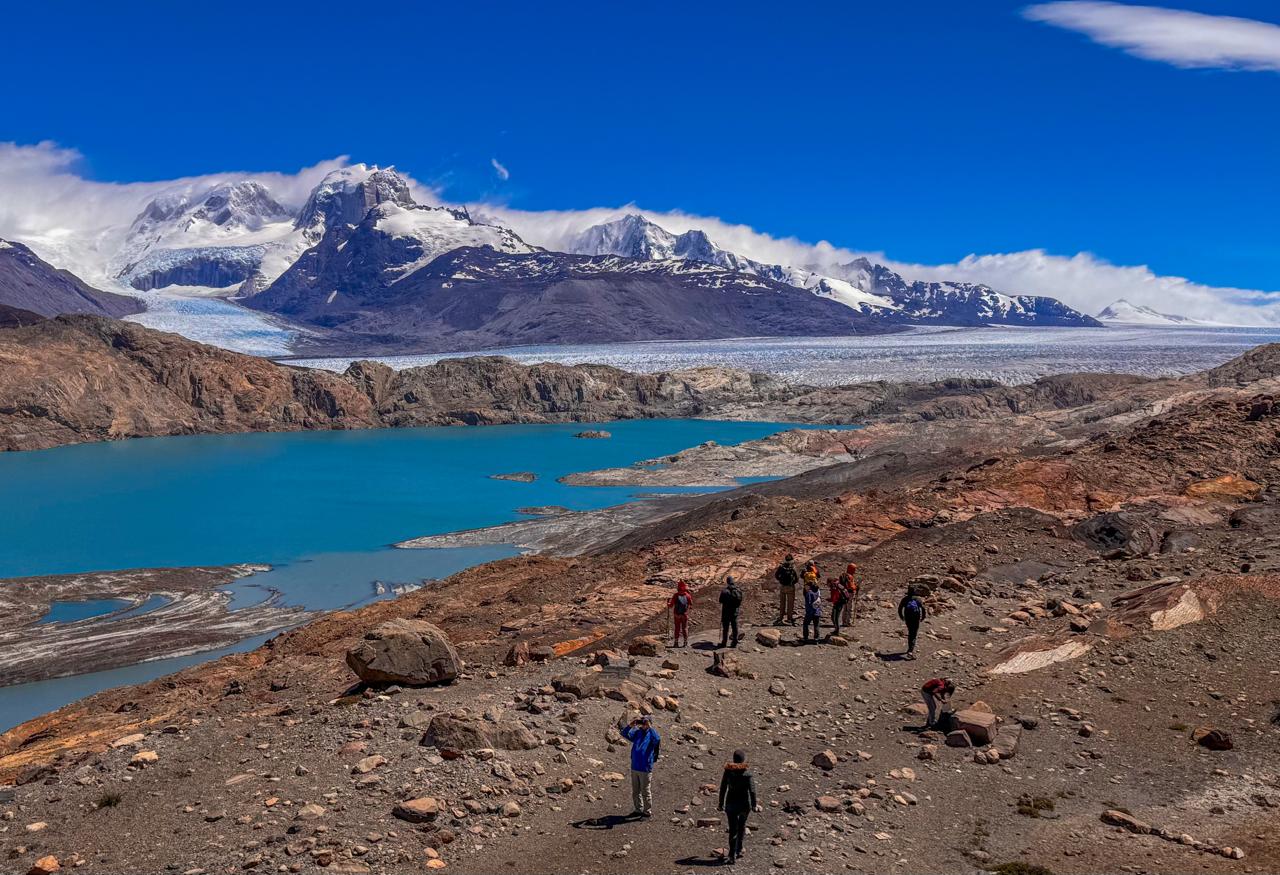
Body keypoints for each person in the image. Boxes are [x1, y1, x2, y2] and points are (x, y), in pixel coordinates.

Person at [717, 749, 759, 864]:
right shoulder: (747, 774)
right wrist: (754, 805)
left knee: (732, 829)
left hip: (731, 805)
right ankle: (739, 849)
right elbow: (752, 791)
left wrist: (721, 803)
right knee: (742, 826)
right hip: (744, 805)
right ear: (743, 759)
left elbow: (723, 788)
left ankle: (732, 855)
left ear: (734, 759)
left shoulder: (728, 772)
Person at [619, 714, 661, 817]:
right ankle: (638, 809)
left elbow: (657, 740)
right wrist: (630, 725)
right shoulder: (638, 732)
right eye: (642, 722)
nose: (643, 724)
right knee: (636, 791)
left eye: (645, 722)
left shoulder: (651, 735)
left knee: (645, 791)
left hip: (645, 767)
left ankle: (647, 812)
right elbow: (624, 734)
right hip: (635, 766)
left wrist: (650, 727)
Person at [898, 585, 927, 659]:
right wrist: (923, 617)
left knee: (911, 632)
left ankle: (910, 649)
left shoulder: (905, 599)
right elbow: (923, 609)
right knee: (913, 634)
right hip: (915, 618)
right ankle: (910, 651)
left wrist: (902, 617)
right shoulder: (917, 599)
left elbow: (900, 608)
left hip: (908, 618)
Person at [773, 554, 799, 625]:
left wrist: (780, 581)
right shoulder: (793, 567)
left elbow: (776, 575)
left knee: (782, 603)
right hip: (790, 587)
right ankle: (789, 618)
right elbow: (797, 578)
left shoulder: (781, 567)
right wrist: (793, 582)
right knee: (790, 603)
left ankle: (781, 617)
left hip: (783, 586)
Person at [718, 575, 743, 648]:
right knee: (735, 627)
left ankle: (724, 643)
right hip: (735, 612)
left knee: (725, 628)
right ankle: (734, 642)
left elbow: (720, 601)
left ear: (727, 582)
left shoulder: (725, 591)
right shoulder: (738, 590)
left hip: (726, 613)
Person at [668, 580, 693, 648]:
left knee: (677, 628)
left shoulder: (676, 595)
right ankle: (685, 643)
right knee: (685, 628)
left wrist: (668, 604)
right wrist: (687, 610)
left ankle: (676, 643)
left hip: (677, 614)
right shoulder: (688, 595)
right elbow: (691, 604)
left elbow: (671, 605)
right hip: (684, 614)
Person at [802, 577, 823, 643]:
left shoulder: (809, 593)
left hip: (810, 612)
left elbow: (809, 603)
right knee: (816, 625)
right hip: (817, 611)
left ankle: (805, 637)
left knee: (805, 624)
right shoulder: (817, 592)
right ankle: (816, 639)